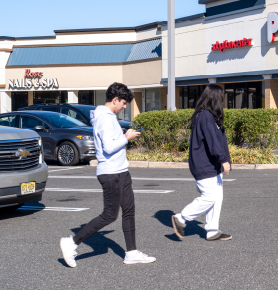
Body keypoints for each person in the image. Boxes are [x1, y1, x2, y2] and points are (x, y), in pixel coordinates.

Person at [60, 82, 156, 267]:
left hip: (120, 170)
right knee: (110, 215)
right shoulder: (104, 118)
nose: (125, 106)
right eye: (124, 103)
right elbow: (109, 147)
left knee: (129, 210)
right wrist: (126, 137)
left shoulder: (108, 116)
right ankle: (71, 243)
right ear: (115, 99)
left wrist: (124, 137)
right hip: (110, 173)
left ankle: (132, 252)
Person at [172, 84, 232, 241]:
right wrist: (224, 160)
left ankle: (212, 230)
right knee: (210, 196)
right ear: (214, 98)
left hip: (213, 165)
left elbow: (219, 140)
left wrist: (224, 160)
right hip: (204, 164)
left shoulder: (210, 115)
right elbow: (213, 142)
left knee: (217, 197)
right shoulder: (205, 116)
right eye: (221, 96)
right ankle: (181, 218)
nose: (223, 99)